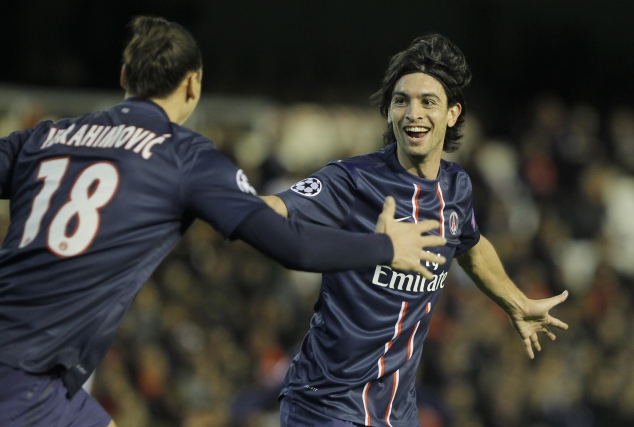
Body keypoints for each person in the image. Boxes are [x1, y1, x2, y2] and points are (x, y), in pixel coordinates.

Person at [0, 17, 448, 427]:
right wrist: (385, 247)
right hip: (27, 377)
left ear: (123, 78)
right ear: (193, 86)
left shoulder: (45, 136)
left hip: (45, 381)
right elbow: (292, 246)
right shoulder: (183, 158)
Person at [262, 33, 570, 427]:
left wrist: (516, 302)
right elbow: (272, 212)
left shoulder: (456, 188)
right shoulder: (353, 179)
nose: (413, 113)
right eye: (401, 100)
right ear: (389, 111)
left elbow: (470, 245)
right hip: (325, 406)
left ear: (453, 113)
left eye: (428, 102)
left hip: (396, 413)